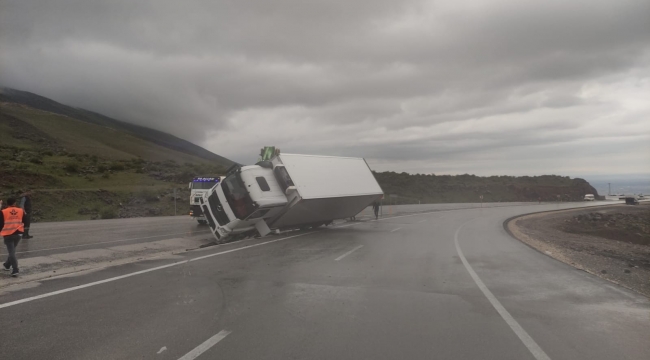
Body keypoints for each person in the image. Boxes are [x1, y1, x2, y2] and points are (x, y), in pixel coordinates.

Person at [1, 197, 25, 277]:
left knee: (11, 252)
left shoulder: (3, 212)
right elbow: (25, 220)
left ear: (7, 203)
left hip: (8, 234)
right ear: (14, 203)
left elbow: (1, 224)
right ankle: (7, 265)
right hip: (18, 234)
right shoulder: (21, 210)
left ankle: (15, 269)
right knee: (12, 250)